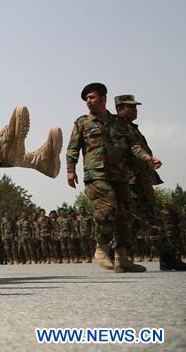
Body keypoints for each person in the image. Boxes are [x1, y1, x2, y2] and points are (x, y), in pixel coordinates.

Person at [66, 83, 156, 273]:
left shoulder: (119, 123)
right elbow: (73, 148)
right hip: (96, 173)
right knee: (107, 210)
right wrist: (70, 169)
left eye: (92, 97)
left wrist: (147, 158)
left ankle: (122, 258)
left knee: (124, 215)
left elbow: (134, 146)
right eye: (86, 99)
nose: (88, 101)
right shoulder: (82, 122)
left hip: (120, 174)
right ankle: (101, 247)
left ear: (103, 98)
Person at [114, 94, 186, 271]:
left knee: (132, 222)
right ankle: (168, 259)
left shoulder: (129, 128)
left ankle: (116, 255)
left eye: (135, 107)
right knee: (152, 220)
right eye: (131, 107)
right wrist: (148, 159)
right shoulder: (120, 129)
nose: (135, 110)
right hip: (133, 182)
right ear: (120, 109)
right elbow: (134, 149)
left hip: (136, 180)